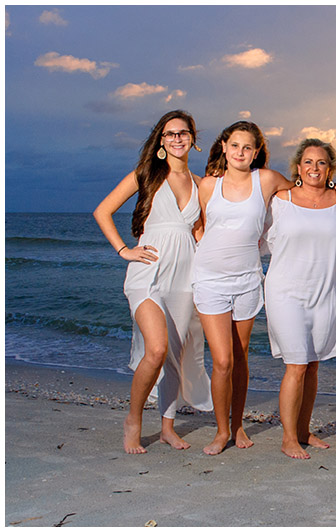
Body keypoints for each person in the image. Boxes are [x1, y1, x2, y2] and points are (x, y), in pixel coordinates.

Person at [93, 109, 213, 454]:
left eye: (183, 133)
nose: (177, 138)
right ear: (161, 141)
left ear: (193, 138)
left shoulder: (198, 181)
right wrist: (123, 250)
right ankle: (133, 419)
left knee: (175, 352)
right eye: (170, 133)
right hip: (148, 273)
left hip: (185, 274)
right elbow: (102, 211)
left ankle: (167, 428)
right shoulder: (145, 174)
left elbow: (200, 230)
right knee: (157, 348)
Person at [192, 121, 293, 456]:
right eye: (234, 145)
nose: (240, 153)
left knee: (240, 356)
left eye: (247, 147)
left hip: (248, 280)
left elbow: (306, 194)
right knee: (222, 361)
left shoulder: (265, 180)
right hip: (210, 280)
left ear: (256, 151)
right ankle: (222, 431)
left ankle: (238, 425)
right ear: (224, 146)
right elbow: (199, 226)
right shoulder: (208, 185)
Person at [263, 138, 336, 459]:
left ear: (331, 169)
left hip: (325, 292)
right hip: (285, 292)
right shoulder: (279, 200)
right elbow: (248, 227)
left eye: (322, 163)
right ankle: (288, 437)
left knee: (312, 365)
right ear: (297, 167)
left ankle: (304, 430)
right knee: (296, 364)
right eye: (308, 162)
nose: (314, 168)